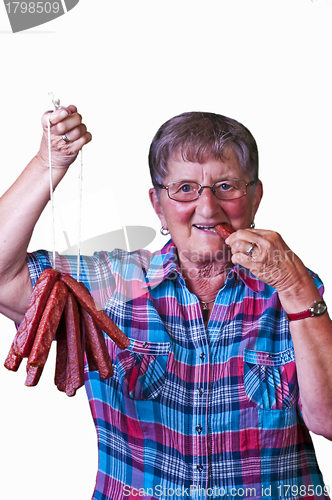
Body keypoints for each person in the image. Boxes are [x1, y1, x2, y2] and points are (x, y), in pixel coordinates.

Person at [0, 106, 331, 500]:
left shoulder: (292, 288)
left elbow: (328, 420)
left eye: (227, 186)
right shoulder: (112, 285)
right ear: (158, 205)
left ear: (255, 197)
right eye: (185, 188)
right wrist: (46, 164)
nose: (207, 208)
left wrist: (295, 288)